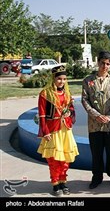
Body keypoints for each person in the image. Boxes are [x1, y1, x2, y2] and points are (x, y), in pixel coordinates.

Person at [81, 51, 110, 189]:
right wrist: (96, 115)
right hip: (95, 125)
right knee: (96, 153)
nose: (104, 66)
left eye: (108, 64)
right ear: (98, 62)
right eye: (102, 63)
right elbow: (84, 100)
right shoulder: (88, 80)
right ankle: (97, 177)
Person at [37, 65, 79, 196]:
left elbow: (71, 110)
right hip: (52, 130)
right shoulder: (45, 94)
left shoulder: (67, 93)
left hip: (65, 129)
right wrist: (45, 131)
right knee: (54, 158)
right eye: (59, 79)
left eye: (65, 79)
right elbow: (42, 114)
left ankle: (63, 180)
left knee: (65, 157)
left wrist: (69, 114)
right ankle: (55, 183)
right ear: (54, 79)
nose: (62, 81)